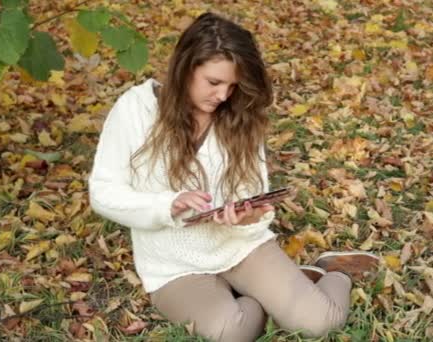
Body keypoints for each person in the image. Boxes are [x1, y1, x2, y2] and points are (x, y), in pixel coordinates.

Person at [89, 12, 378, 341]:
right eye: (214, 82)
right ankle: (272, 295)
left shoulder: (238, 115)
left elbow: (253, 192)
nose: (224, 96)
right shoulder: (135, 109)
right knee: (230, 332)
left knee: (320, 323)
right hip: (175, 267)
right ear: (185, 67)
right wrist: (166, 206)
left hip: (239, 248)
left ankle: (333, 274)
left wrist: (247, 218)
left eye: (232, 85)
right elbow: (104, 193)